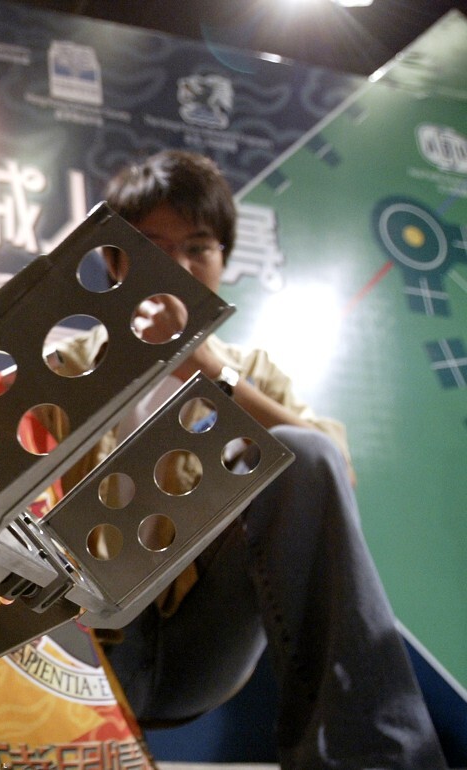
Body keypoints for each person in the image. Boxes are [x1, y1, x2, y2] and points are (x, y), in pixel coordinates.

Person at [51, 150, 446, 769]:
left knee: (304, 451)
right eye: (153, 245)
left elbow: (332, 468)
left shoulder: (252, 371)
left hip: (200, 647)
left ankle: (373, 757)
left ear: (224, 262)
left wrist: (212, 372)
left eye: (198, 249)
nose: (177, 268)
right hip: (79, 644)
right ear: (114, 259)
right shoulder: (67, 367)